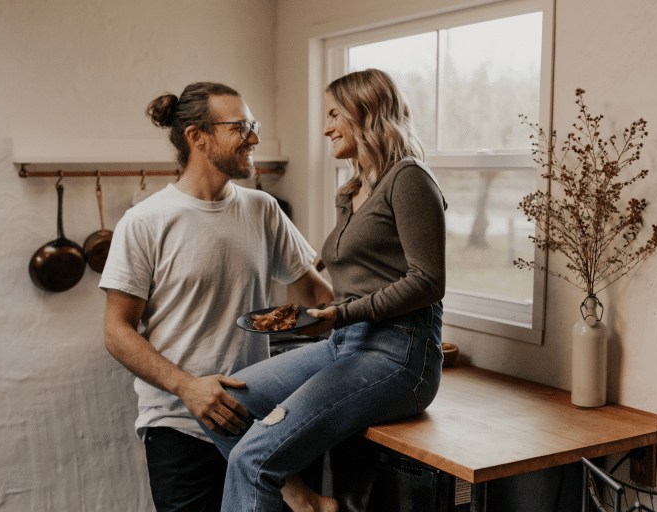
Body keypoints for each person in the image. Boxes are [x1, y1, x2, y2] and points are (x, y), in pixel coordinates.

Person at [198, 68, 447, 512]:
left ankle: (298, 499)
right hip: (344, 345)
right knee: (222, 404)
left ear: (364, 112)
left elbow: (428, 282)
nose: (327, 126)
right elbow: (365, 271)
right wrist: (329, 310)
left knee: (252, 459)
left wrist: (343, 312)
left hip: (399, 355)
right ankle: (307, 501)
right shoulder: (351, 190)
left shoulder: (409, 179)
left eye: (334, 113)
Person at [99, 81, 334, 512]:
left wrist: (331, 313)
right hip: (179, 427)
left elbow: (318, 294)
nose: (255, 138)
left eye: (254, 125)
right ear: (197, 137)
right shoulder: (144, 222)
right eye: (241, 126)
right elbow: (117, 332)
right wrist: (187, 387)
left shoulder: (263, 209)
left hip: (261, 422)